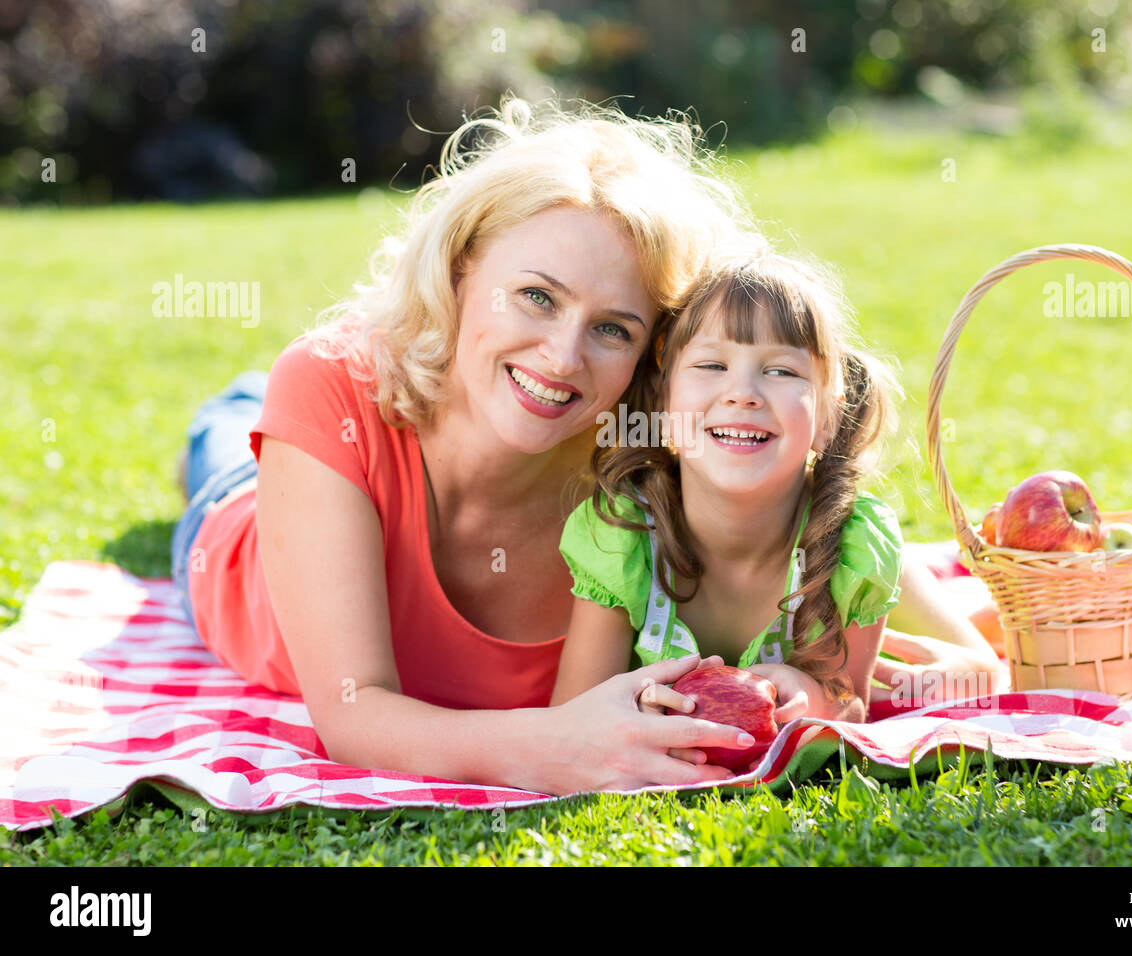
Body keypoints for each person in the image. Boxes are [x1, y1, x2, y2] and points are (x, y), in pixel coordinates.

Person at [169, 98, 998, 797]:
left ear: (655, 359)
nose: (563, 358)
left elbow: (861, 550)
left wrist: (887, 674)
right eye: (535, 296)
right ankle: (231, 413)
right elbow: (353, 716)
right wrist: (557, 747)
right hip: (236, 514)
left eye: (612, 328)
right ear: (461, 269)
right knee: (225, 435)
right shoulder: (331, 389)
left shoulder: (652, 455)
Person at [549, 244, 986, 746]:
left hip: (837, 545)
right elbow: (574, 717)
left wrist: (815, 697)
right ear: (665, 404)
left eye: (781, 371)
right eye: (712, 365)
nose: (743, 393)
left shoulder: (852, 547)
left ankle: (979, 612)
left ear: (827, 420)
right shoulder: (621, 538)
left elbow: (855, 704)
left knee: (954, 635)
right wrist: (634, 708)